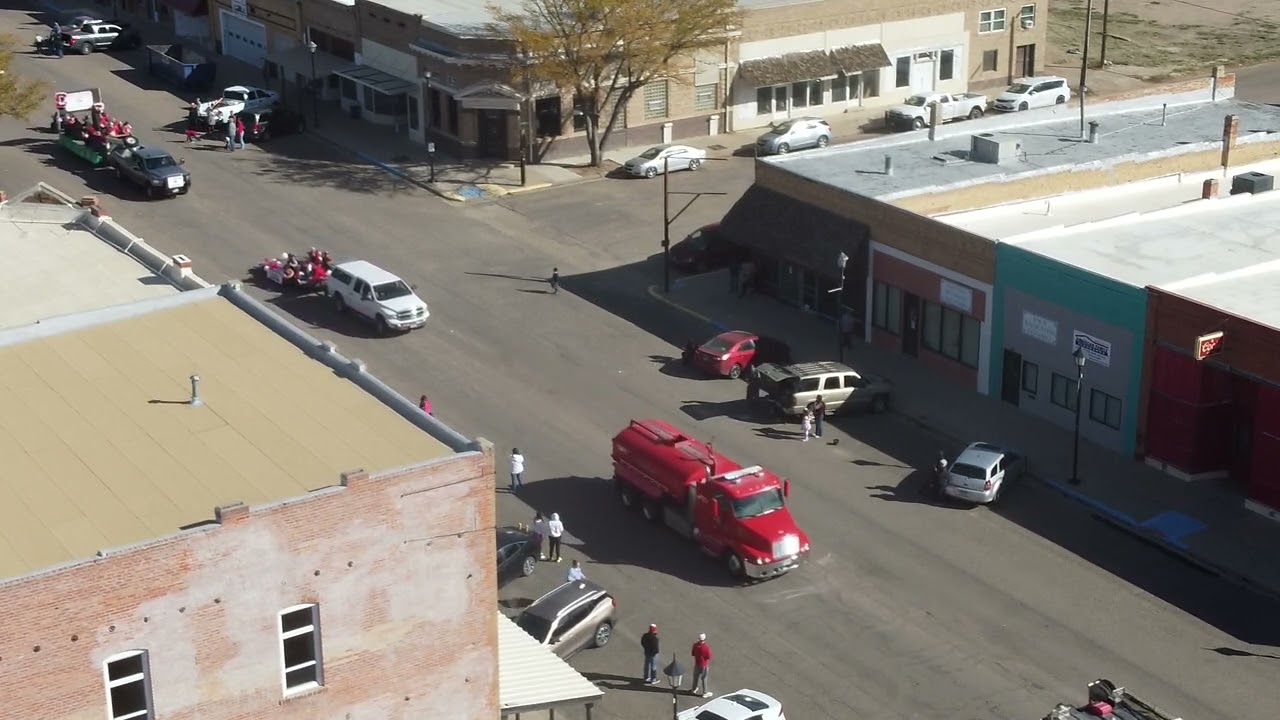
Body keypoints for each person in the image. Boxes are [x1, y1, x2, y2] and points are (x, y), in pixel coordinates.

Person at [690, 633, 713, 698]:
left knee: (695, 677)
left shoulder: (695, 645)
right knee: (704, 678)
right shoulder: (705, 647)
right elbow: (708, 656)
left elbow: (693, 653)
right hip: (704, 665)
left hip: (697, 663)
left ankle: (693, 689)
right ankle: (705, 692)